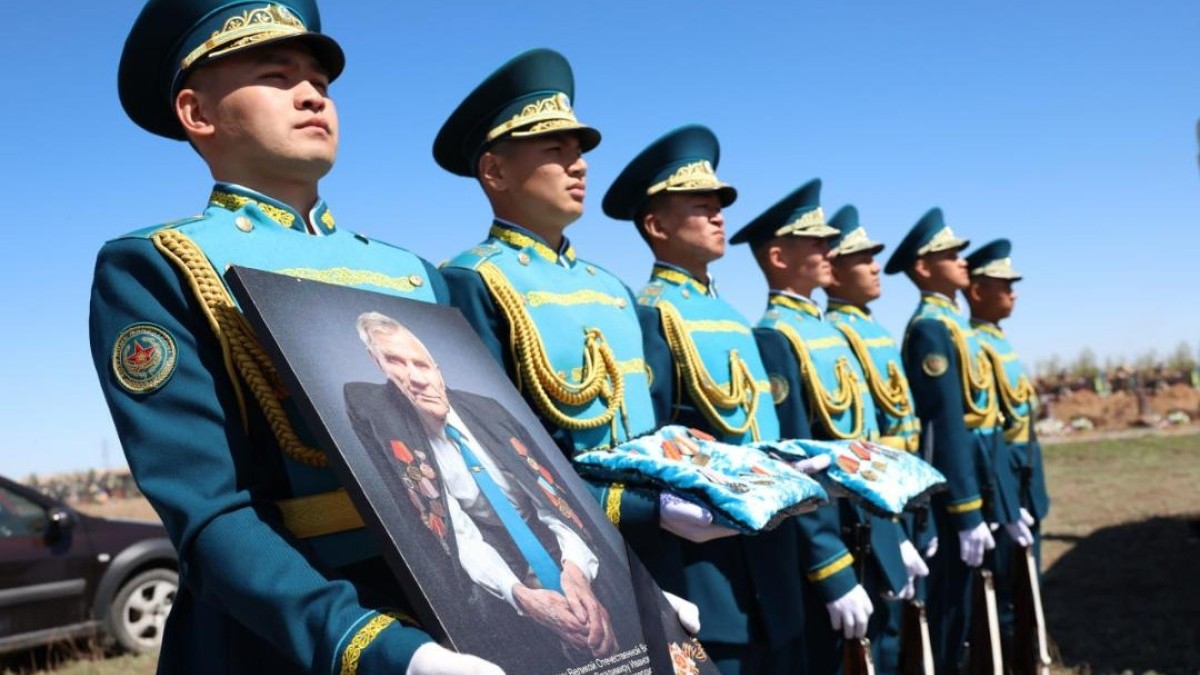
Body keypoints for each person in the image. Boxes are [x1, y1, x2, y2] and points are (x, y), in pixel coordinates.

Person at [90, 1, 501, 672]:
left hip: (469, 616)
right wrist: (387, 651)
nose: (312, 95)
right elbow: (212, 516)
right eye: (277, 76)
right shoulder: (166, 265)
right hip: (286, 643)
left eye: (321, 82)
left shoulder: (412, 274)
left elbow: (491, 468)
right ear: (197, 112)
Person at [435, 51, 729, 596]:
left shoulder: (613, 289)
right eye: (555, 150)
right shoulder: (472, 280)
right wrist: (636, 510)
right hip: (572, 557)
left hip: (664, 545)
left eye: (579, 152)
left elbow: (656, 420)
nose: (580, 166)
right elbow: (493, 448)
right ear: (495, 171)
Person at [604, 125, 807, 674]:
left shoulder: (733, 316)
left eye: (718, 205)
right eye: (700, 206)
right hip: (711, 571)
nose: (718, 216)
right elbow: (653, 452)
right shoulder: (652, 314)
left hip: (771, 561)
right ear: (656, 225)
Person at [345, 313, 648, 669]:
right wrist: (520, 596)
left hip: (552, 538)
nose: (416, 378)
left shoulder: (491, 411)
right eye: (395, 362)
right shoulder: (378, 416)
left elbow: (552, 501)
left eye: (421, 365)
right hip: (492, 555)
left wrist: (577, 571)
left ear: (437, 369)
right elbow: (457, 534)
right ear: (377, 363)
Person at [734, 183, 925, 674]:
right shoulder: (775, 336)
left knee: (886, 654)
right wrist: (830, 568)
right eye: (815, 242)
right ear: (779, 257)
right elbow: (797, 466)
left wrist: (894, 533)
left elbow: (866, 449)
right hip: (835, 540)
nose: (827, 249)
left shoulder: (831, 332)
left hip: (870, 528)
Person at [884, 208, 1027, 672]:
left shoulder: (954, 325)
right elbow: (945, 425)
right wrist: (966, 509)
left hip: (982, 478)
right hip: (955, 491)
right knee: (949, 611)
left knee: (970, 608)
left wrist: (1004, 499)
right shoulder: (930, 328)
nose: (963, 261)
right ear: (924, 268)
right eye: (950, 254)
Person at [824, 204, 939, 667]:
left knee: (908, 635)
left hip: (902, 495)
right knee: (881, 642)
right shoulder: (836, 335)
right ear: (832, 271)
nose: (875, 266)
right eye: (862, 258)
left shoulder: (874, 330)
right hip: (874, 505)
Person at [962, 240, 1051, 641]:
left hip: (1025, 469)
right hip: (1004, 473)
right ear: (977, 290)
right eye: (1005, 285)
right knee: (1004, 574)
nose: (1013, 293)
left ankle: (1030, 644)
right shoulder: (975, 344)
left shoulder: (998, 340)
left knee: (1028, 569)